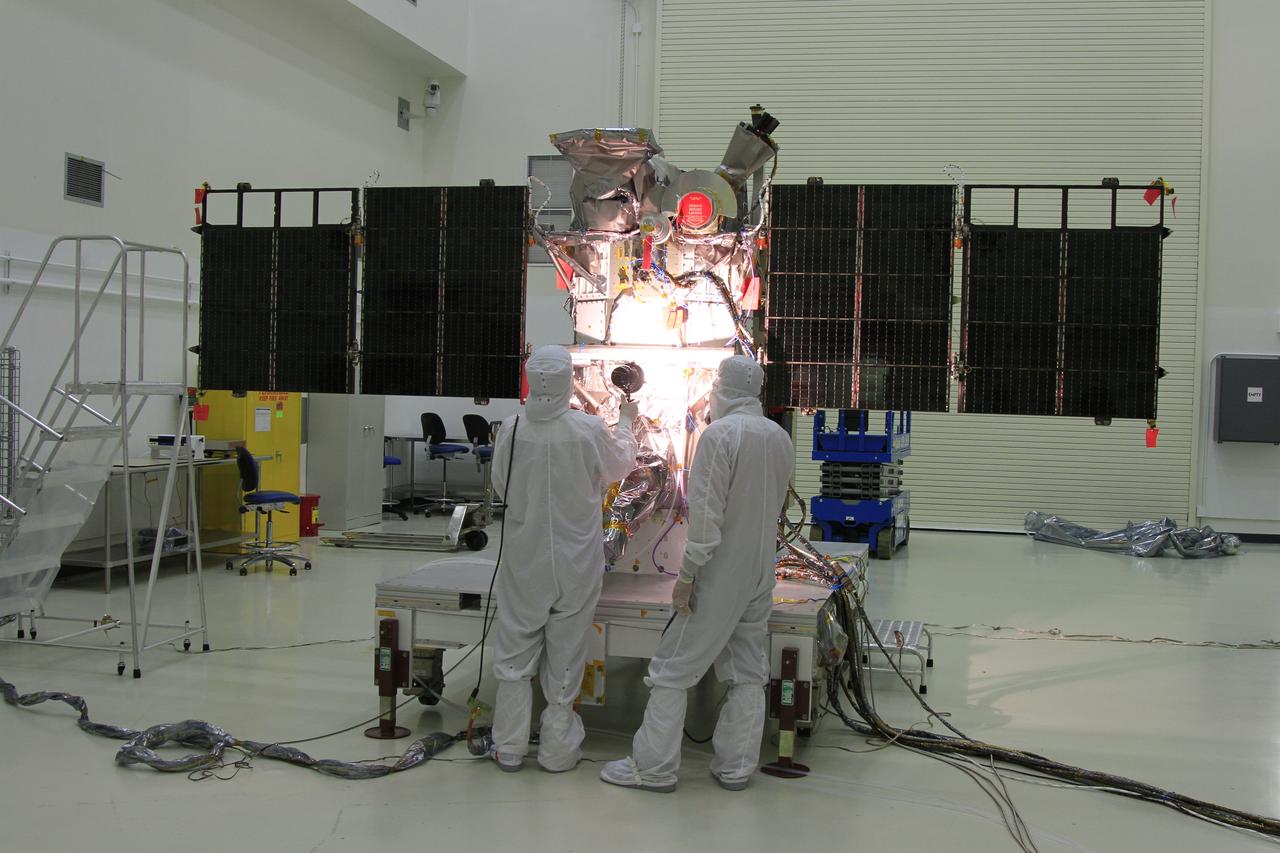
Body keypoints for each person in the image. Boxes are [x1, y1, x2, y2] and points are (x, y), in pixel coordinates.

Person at [600, 355, 794, 792]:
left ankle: (652, 769)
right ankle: (736, 768)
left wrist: (687, 577)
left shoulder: (720, 435)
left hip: (718, 572)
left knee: (672, 668)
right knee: (747, 670)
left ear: (721, 388)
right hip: (760, 572)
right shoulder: (778, 437)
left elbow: (706, 519)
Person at [489, 345, 639, 772]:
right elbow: (619, 466)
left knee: (515, 651)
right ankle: (557, 754)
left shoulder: (512, 428)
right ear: (568, 380)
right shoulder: (588, 428)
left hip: (524, 558)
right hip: (577, 559)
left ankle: (510, 748)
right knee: (568, 651)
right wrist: (626, 424)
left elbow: (501, 484)